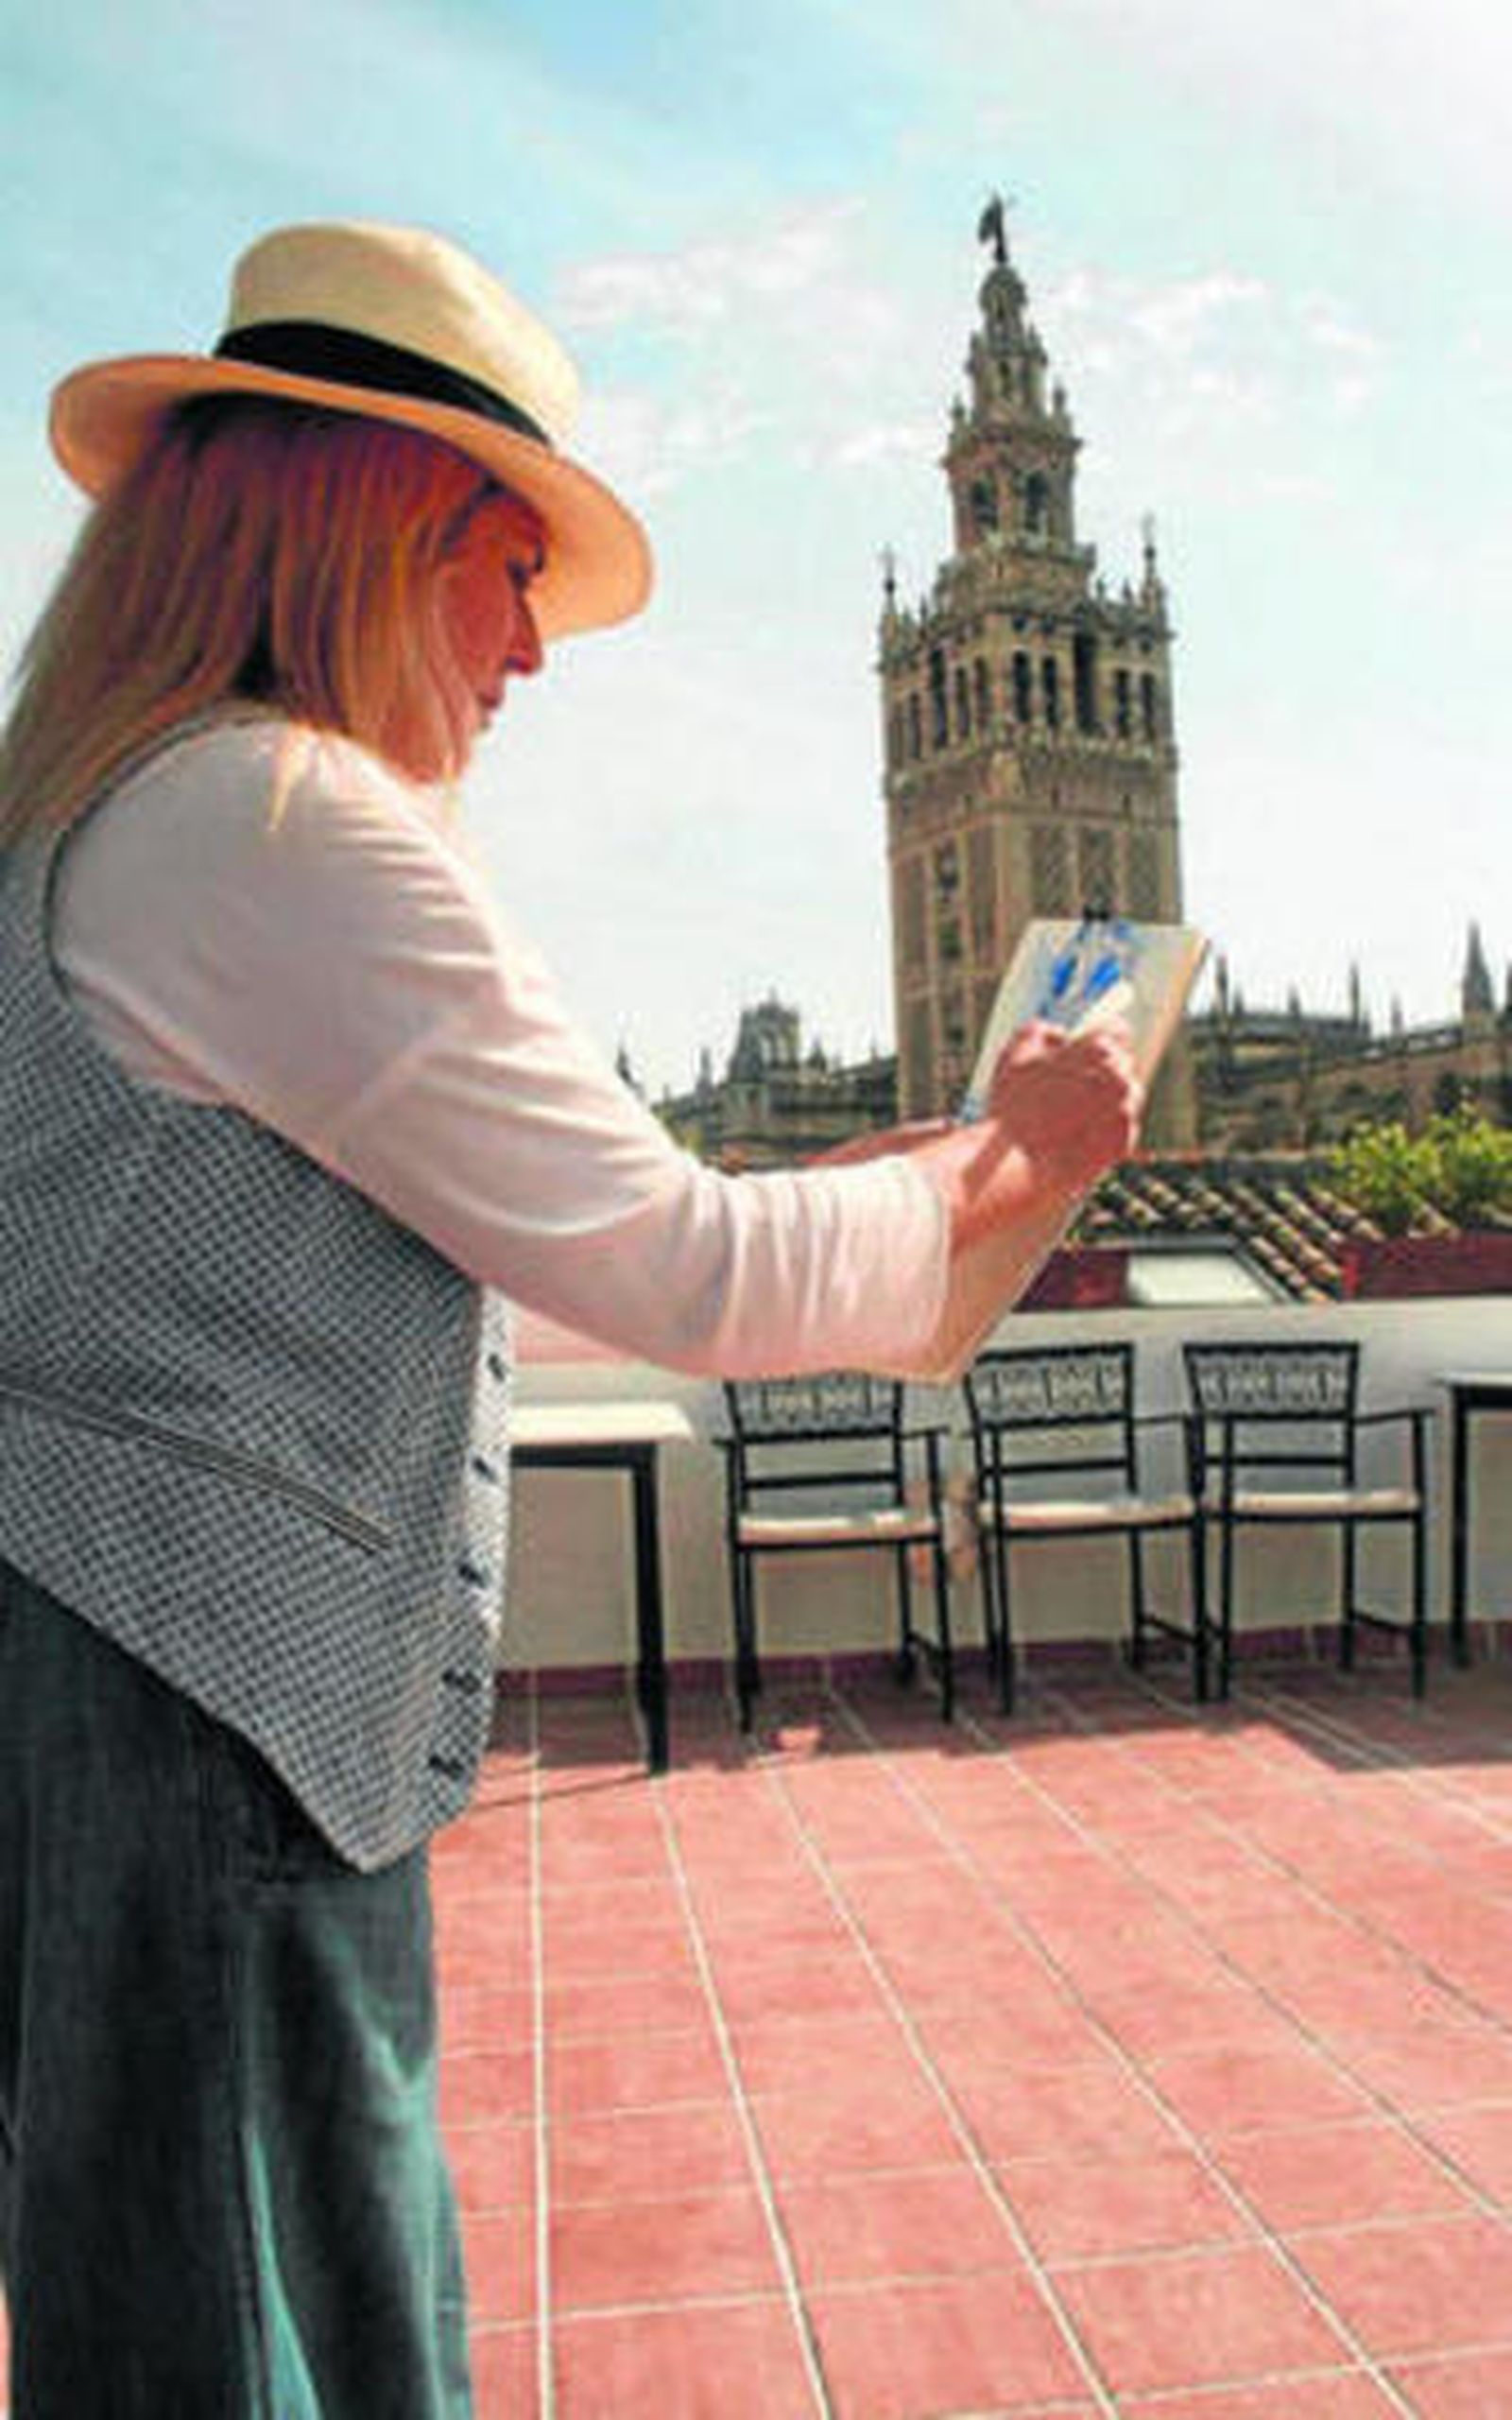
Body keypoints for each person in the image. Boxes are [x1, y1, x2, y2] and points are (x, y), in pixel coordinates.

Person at [0, 220, 1139, 2418]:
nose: (530, 644)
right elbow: (687, 1275)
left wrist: (946, 1153)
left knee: (170, 2301)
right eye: (502, 563)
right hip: (206, 1724)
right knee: (270, 2330)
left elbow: (602, 1216)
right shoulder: (271, 812)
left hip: (96, 1691)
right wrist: (1024, 1159)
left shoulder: (99, 808)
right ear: (360, 528)